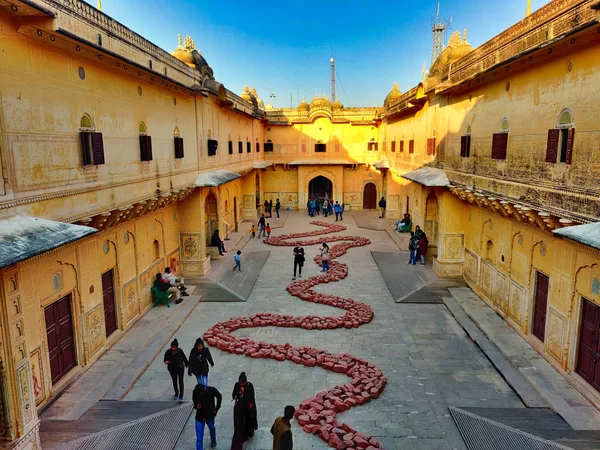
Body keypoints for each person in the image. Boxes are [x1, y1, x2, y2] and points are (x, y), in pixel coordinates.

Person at [230, 372, 258, 450]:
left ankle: (249, 432)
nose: (241, 385)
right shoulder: (237, 385)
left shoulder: (249, 386)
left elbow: (251, 397)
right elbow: (234, 395)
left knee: (249, 421)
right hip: (240, 408)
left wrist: (244, 393)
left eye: (243, 383)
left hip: (248, 408)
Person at [193, 383, 222, 450]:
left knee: (211, 428)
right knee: (199, 438)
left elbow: (219, 396)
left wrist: (216, 408)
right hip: (199, 416)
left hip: (209, 415)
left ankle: (213, 441)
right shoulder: (196, 392)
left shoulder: (211, 390)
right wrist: (196, 406)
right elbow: (194, 401)